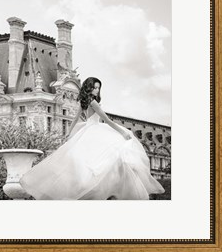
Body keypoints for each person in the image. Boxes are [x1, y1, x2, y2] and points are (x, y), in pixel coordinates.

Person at [19, 77, 165, 200]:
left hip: (87, 131)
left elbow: (75, 119)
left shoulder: (84, 101)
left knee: (89, 163)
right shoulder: (93, 102)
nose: (97, 90)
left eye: (98, 88)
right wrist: (122, 132)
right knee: (113, 156)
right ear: (90, 88)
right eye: (95, 88)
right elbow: (107, 120)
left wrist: (68, 136)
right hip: (95, 129)